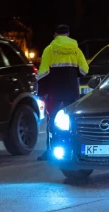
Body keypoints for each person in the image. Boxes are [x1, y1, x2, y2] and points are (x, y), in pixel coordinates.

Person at [36, 24, 89, 161]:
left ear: (55, 34)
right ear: (68, 34)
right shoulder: (76, 50)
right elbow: (85, 70)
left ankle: (51, 151)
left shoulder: (50, 49)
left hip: (54, 91)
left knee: (52, 121)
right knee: (72, 120)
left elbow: (42, 73)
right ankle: (74, 149)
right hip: (71, 91)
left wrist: (41, 91)